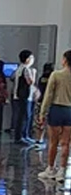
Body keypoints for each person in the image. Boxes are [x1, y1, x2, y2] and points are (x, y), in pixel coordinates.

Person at [37, 50, 71, 181]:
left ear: (65, 60)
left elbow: (48, 95)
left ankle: (50, 168)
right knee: (66, 143)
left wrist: (42, 112)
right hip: (69, 111)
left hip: (56, 109)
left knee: (53, 142)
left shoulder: (56, 75)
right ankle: (62, 171)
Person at [12, 49, 37, 145]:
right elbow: (30, 82)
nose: (32, 59)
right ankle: (22, 136)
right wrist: (33, 73)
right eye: (31, 57)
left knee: (21, 116)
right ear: (27, 59)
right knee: (25, 117)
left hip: (18, 95)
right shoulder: (26, 69)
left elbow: (12, 78)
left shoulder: (19, 68)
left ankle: (22, 136)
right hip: (24, 96)